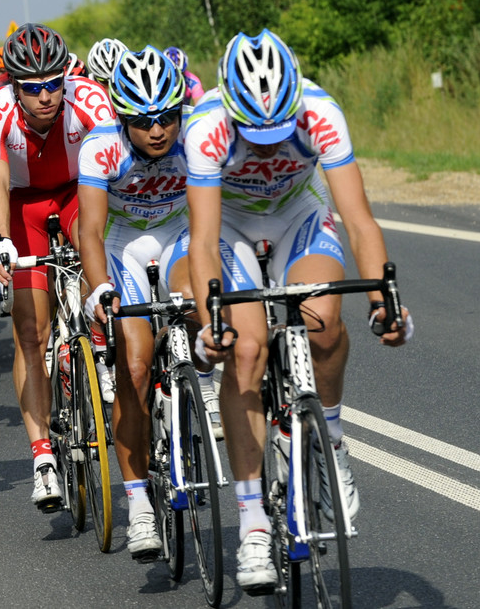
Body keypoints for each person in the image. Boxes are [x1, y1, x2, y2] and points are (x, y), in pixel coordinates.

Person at [183, 29, 413, 594]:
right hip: (232, 227)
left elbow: (358, 219)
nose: (265, 145)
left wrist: (385, 300)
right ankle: (253, 523)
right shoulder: (204, 126)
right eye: (255, 135)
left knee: (325, 321)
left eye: (277, 132)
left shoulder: (322, 111)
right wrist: (213, 317)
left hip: (296, 217)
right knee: (246, 348)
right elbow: (205, 240)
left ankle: (331, 442)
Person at [0, 23, 116, 512]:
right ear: (13, 86)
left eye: (53, 83)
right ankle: (42, 457)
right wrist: (0, 243)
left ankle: (99, 346)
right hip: (22, 205)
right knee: (30, 332)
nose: (45, 96)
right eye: (32, 88)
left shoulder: (91, 99)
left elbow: (111, 175)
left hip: (80, 193)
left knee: (94, 261)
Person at [77, 46, 203, 560]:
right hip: (124, 243)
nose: (158, 131)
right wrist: (100, 286)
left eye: (167, 118)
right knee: (132, 367)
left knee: (197, 301)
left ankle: (205, 383)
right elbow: (88, 230)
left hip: (179, 233)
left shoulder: (197, 137)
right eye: (143, 121)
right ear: (122, 117)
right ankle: (139, 505)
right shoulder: (100, 147)